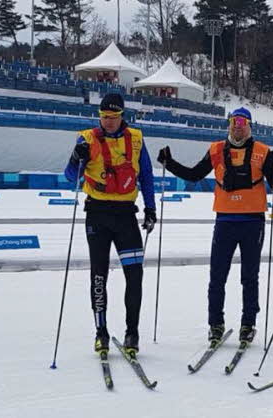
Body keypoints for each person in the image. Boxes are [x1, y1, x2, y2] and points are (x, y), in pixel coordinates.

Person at [157, 107, 273, 345]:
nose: (238, 126)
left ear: (249, 126)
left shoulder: (262, 151)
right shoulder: (216, 150)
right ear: (229, 125)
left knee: (250, 276)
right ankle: (215, 324)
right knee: (217, 275)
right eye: (234, 122)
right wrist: (170, 163)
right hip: (225, 220)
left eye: (242, 122)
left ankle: (248, 323)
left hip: (253, 221)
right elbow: (195, 175)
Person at [64, 93, 157, 357]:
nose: (108, 122)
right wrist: (75, 157)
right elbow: (70, 176)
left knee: (134, 275)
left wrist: (150, 208)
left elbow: (147, 176)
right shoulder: (87, 138)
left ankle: (132, 333)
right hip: (98, 213)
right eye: (104, 117)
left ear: (122, 116)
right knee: (98, 275)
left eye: (113, 118)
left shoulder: (137, 139)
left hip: (126, 214)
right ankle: (101, 333)